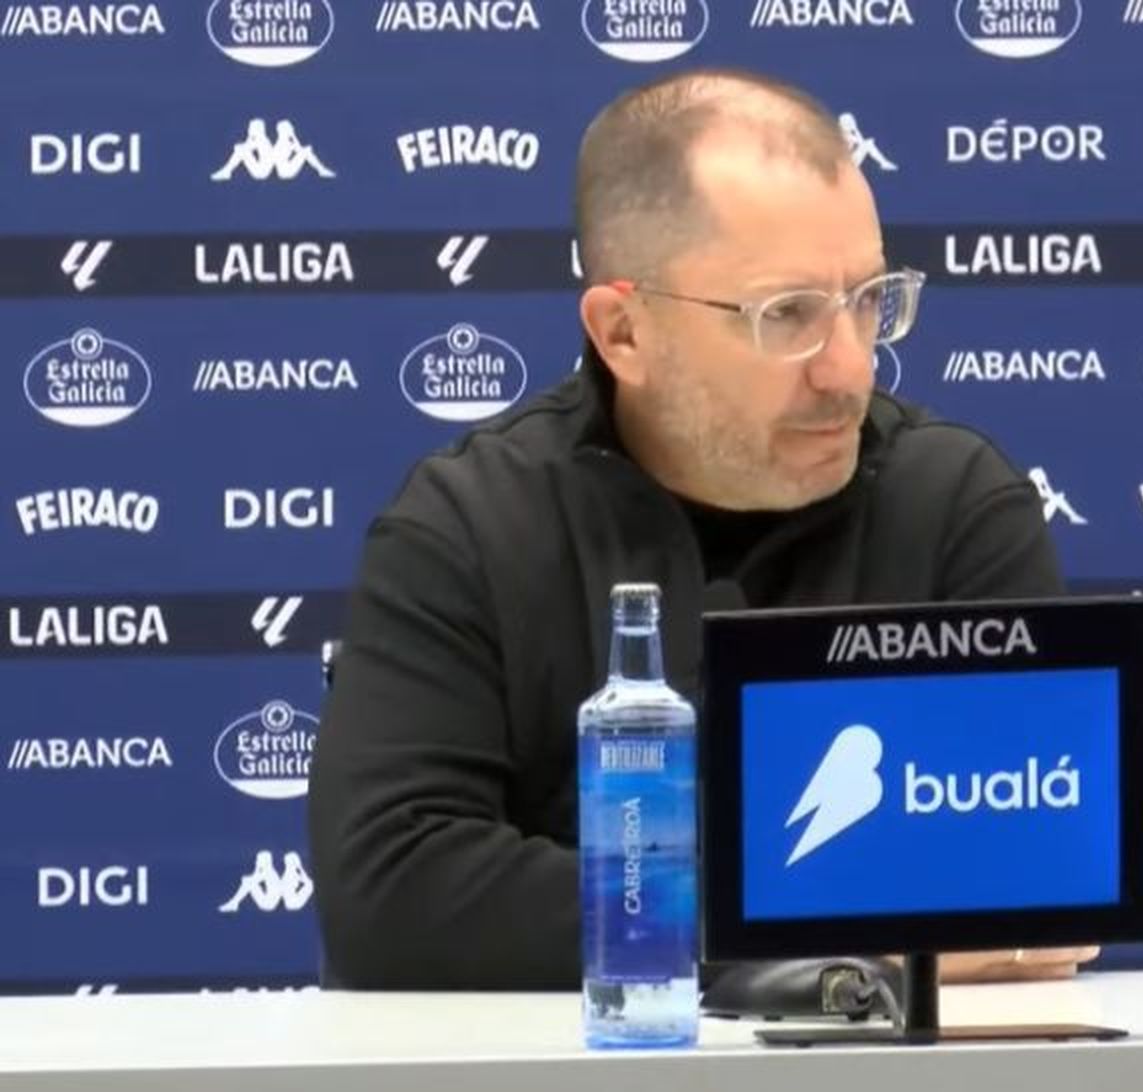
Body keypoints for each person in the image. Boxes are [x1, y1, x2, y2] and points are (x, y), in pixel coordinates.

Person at [308, 68, 1095, 990]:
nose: (847, 367)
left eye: (869, 299)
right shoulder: (471, 526)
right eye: (787, 315)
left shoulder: (955, 505)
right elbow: (396, 895)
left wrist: (646, 909)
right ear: (624, 332)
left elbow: (1028, 888)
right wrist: (803, 932)